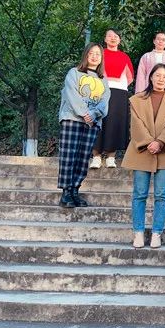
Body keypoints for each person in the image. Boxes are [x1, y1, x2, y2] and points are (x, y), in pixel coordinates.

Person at [122, 63, 165, 248]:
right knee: (139, 194)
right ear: (150, 77)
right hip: (142, 150)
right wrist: (149, 142)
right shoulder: (137, 99)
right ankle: (138, 232)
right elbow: (136, 124)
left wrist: (160, 142)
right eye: (158, 75)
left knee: (161, 195)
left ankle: (157, 233)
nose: (161, 79)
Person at [57, 43, 110, 208]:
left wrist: (93, 114)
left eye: (98, 54)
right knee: (68, 156)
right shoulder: (74, 73)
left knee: (82, 157)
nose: (94, 56)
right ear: (86, 55)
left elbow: (104, 101)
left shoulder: (103, 79)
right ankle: (66, 192)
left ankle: (75, 190)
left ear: (101, 59)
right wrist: (84, 113)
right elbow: (70, 94)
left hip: (92, 122)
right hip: (72, 119)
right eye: (91, 53)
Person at [90, 29, 134, 169]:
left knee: (115, 122)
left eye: (116, 36)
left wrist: (117, 85)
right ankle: (96, 157)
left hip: (119, 92)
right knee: (98, 120)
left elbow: (130, 77)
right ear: (105, 39)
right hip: (99, 90)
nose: (113, 38)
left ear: (119, 40)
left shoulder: (124, 56)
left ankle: (111, 157)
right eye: (109, 36)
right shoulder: (99, 54)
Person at [135, 31, 165, 95]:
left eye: (163, 40)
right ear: (154, 41)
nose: (160, 41)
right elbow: (141, 76)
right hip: (148, 90)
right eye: (158, 39)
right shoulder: (146, 56)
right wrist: (140, 93)